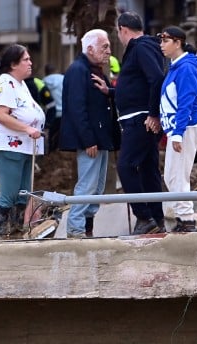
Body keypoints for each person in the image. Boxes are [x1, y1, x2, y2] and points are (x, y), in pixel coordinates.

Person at [0, 44, 46, 239]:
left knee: (23, 192)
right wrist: (27, 128)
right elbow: (0, 115)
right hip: (8, 145)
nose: (30, 63)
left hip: (25, 146)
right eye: (25, 59)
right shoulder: (5, 83)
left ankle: (18, 231)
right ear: (13, 64)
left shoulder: (20, 84)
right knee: (10, 192)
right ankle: (1, 233)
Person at [59, 30, 117, 239]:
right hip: (90, 140)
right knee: (87, 185)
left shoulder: (95, 70)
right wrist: (88, 139)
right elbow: (77, 108)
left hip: (100, 138)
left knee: (98, 186)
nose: (108, 51)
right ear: (90, 49)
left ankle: (87, 226)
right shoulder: (78, 70)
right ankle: (75, 229)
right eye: (104, 47)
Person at [115, 11, 168, 235]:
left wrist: (153, 114)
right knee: (148, 169)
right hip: (141, 116)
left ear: (123, 30)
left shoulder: (141, 47)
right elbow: (138, 84)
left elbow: (156, 78)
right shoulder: (145, 47)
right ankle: (156, 217)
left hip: (141, 119)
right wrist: (111, 91)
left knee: (125, 166)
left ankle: (144, 216)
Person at [158, 26, 197, 233]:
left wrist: (178, 132)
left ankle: (187, 220)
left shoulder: (185, 68)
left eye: (165, 40)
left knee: (179, 175)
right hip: (178, 128)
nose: (161, 45)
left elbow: (186, 101)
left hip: (186, 126)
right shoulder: (175, 66)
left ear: (178, 42)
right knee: (171, 175)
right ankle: (182, 216)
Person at [42, 64, 65, 149]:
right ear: (56, 70)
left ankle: (50, 152)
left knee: (51, 134)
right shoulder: (63, 79)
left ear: (46, 72)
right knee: (62, 136)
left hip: (51, 114)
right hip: (64, 113)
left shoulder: (43, 81)